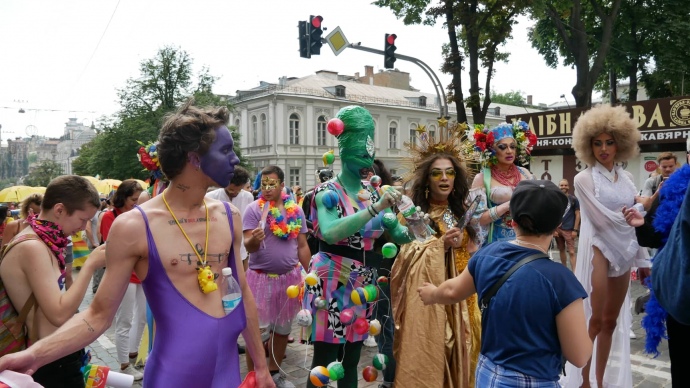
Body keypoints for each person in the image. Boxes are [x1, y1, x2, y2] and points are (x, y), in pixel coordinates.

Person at [0, 100, 275, 388]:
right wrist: (33, 356)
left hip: (226, 373)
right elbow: (98, 315)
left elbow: (243, 293)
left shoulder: (228, 215)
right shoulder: (135, 226)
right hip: (174, 376)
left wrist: (261, 366)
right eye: (225, 150)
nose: (235, 160)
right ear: (194, 158)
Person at [418, 180, 592, 387]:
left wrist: (433, 293)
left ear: (512, 221)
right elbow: (579, 356)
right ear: (556, 227)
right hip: (535, 380)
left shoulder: (487, 254)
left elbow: (453, 291)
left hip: (487, 374)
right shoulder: (561, 280)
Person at [304, 106, 413, 388]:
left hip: (361, 281)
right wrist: (375, 208)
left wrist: (417, 226)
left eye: (370, 153)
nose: (368, 159)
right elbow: (328, 232)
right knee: (325, 362)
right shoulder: (327, 192)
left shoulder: (373, 192)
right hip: (330, 280)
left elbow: (398, 234)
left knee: (351, 359)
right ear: (343, 152)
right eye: (361, 153)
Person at [562, 104, 650, 388]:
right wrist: (637, 215)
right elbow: (601, 220)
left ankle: (601, 382)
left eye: (609, 142)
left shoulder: (627, 177)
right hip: (599, 249)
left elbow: (636, 217)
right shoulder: (583, 178)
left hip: (625, 252)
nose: (603, 149)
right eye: (597, 143)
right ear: (587, 146)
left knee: (611, 322)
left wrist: (642, 256)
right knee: (596, 320)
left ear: (620, 144)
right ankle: (583, 380)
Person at [391, 140, 482, 388]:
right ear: (427, 179)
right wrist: (441, 245)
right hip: (431, 300)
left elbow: (473, 250)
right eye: (437, 173)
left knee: (466, 350)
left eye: (449, 172)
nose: (444, 178)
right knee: (438, 349)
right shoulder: (413, 214)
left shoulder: (461, 209)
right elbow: (405, 258)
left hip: (464, 297)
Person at [0, 176, 105, 387]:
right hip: (49, 360)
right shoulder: (33, 247)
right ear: (59, 210)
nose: (83, 227)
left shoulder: (42, 240)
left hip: (53, 353)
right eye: (82, 219)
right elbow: (58, 314)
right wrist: (90, 265)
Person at [623, 137, 690, 387]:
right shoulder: (672, 189)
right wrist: (641, 225)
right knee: (682, 364)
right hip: (679, 290)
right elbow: (654, 234)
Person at [243, 165, 311, 388]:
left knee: (282, 329)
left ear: (282, 185)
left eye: (272, 184)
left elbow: (302, 245)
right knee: (257, 333)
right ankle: (254, 375)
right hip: (259, 279)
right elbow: (248, 247)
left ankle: (274, 371)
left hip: (289, 280)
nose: (267, 188)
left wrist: (309, 273)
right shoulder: (254, 209)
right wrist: (255, 239)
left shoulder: (296, 211)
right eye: (263, 184)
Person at [101, 180, 145, 380]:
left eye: (138, 200)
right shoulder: (109, 217)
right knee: (124, 319)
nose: (136, 203)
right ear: (123, 197)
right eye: (133, 199)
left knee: (142, 316)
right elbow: (114, 247)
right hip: (123, 274)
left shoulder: (137, 215)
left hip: (142, 272)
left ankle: (133, 355)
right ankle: (124, 364)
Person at [470, 121, 536, 244]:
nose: (509, 151)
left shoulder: (525, 173)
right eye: (502, 147)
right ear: (492, 150)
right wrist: (506, 206)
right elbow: (477, 219)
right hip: (497, 242)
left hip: (527, 239)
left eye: (512, 146)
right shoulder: (482, 178)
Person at [206, 165, 254, 272]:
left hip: (240, 248)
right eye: (232, 189)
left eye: (239, 190)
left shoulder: (248, 197)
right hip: (217, 247)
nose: (234, 192)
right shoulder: (210, 197)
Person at [301, 169, 333, 256]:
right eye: (325, 178)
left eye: (330, 177)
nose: (328, 180)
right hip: (315, 238)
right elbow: (303, 218)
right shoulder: (310, 195)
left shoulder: (336, 195)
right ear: (319, 179)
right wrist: (317, 227)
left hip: (332, 237)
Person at [553, 179, 580, 271]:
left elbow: (578, 215)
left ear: (568, 187)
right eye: (561, 185)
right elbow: (551, 214)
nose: (563, 187)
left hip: (569, 229)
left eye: (565, 185)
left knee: (572, 252)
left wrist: (575, 230)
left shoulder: (573, 199)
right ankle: (564, 271)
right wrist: (553, 229)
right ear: (558, 186)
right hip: (557, 229)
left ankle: (575, 273)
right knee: (561, 250)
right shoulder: (555, 199)